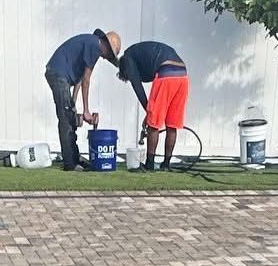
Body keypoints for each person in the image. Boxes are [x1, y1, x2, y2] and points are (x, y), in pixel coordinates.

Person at [44, 29, 121, 172]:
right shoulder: (95, 46)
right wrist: (86, 111)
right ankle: (70, 163)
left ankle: (74, 157)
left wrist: (74, 102)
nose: (106, 58)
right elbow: (86, 80)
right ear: (106, 45)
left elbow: (79, 77)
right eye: (109, 54)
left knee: (69, 114)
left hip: (60, 75)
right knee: (66, 119)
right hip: (57, 73)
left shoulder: (91, 44)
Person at [117, 40, 189, 171]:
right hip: (182, 74)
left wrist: (149, 113)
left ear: (124, 68)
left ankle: (149, 164)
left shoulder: (128, 58)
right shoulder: (139, 54)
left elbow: (138, 88)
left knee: (154, 124)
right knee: (172, 125)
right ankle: (166, 165)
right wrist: (149, 111)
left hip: (166, 72)